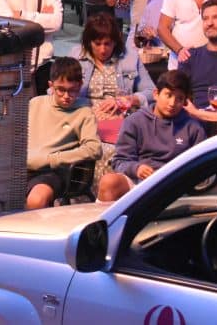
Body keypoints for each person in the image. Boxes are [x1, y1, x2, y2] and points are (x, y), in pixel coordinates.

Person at [96, 70, 205, 202]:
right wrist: (136, 168)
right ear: (156, 94)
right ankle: (108, 217)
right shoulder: (134, 121)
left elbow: (200, 167)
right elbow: (120, 161)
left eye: (179, 98)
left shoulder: (193, 128)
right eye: (168, 95)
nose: (172, 103)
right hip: (139, 180)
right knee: (109, 181)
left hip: (175, 184)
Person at [25, 57, 102, 209]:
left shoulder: (84, 112)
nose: (66, 96)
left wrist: (54, 159)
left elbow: (94, 148)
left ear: (80, 86)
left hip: (52, 172)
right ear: (51, 86)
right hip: (21, 168)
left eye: (72, 90)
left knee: (36, 200)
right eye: (61, 90)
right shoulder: (35, 103)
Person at [76, 12, 155, 118]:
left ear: (115, 42)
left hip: (120, 117)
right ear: (89, 42)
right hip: (84, 116)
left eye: (107, 44)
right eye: (97, 44)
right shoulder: (77, 57)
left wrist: (126, 100)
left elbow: (152, 92)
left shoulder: (130, 58)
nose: (102, 50)